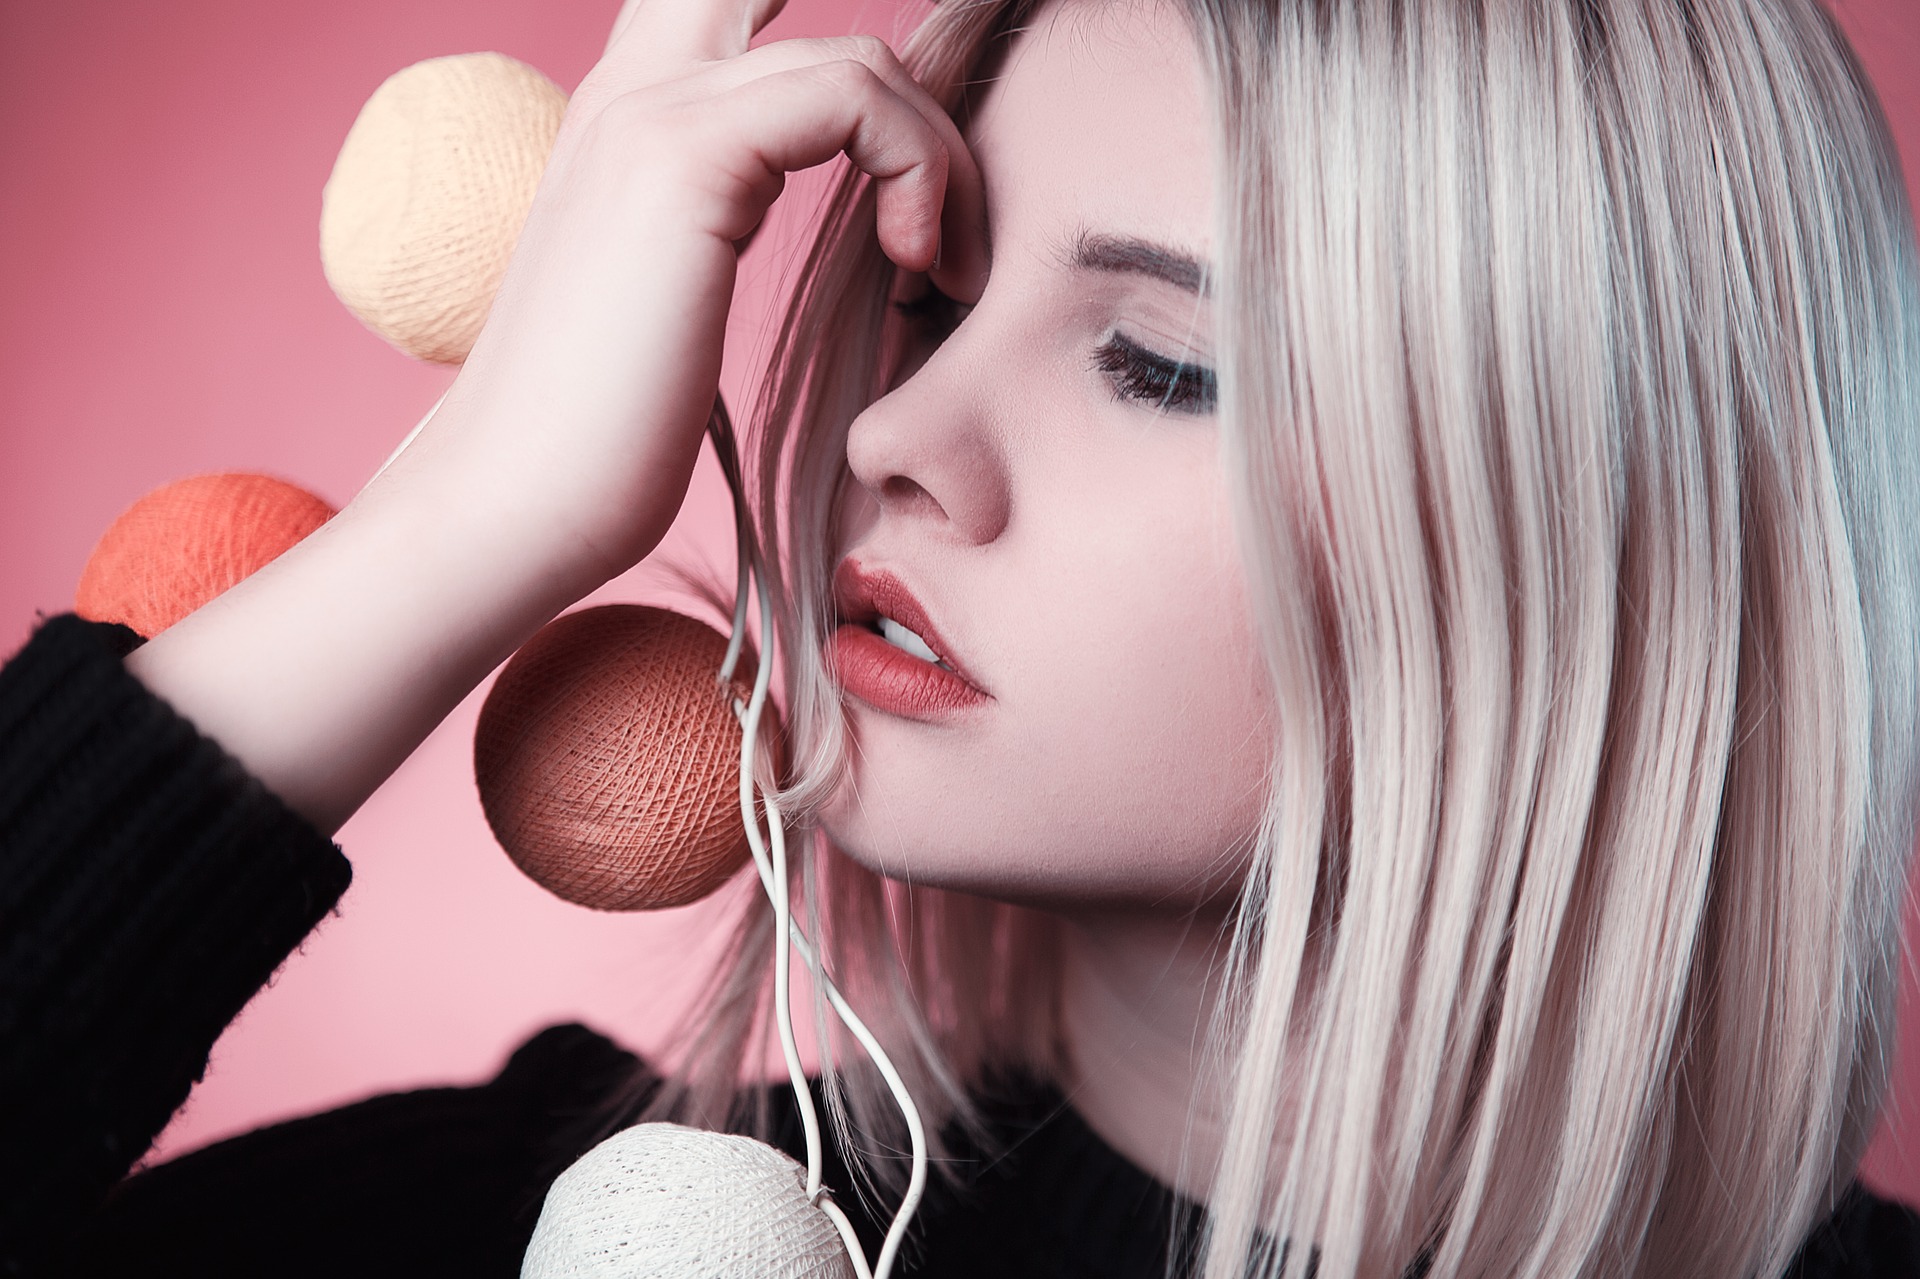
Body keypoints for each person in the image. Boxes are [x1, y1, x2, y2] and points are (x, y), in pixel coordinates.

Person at [3, 0, 1919, 1274]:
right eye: (932, 306)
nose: (888, 436)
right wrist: (458, 525)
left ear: (1605, 537)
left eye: (1164, 366)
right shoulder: (531, 1233)